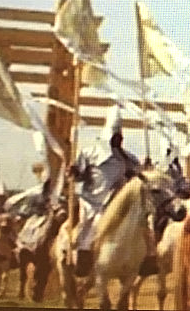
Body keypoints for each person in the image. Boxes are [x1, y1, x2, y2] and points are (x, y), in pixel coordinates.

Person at [69, 105, 154, 277]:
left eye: (119, 137)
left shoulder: (128, 157)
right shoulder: (89, 153)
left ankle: (148, 258)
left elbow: (138, 177)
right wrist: (74, 172)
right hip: (93, 200)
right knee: (91, 224)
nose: (117, 140)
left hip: (117, 201)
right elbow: (77, 177)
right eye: (114, 136)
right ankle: (83, 258)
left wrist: (145, 168)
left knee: (143, 222)